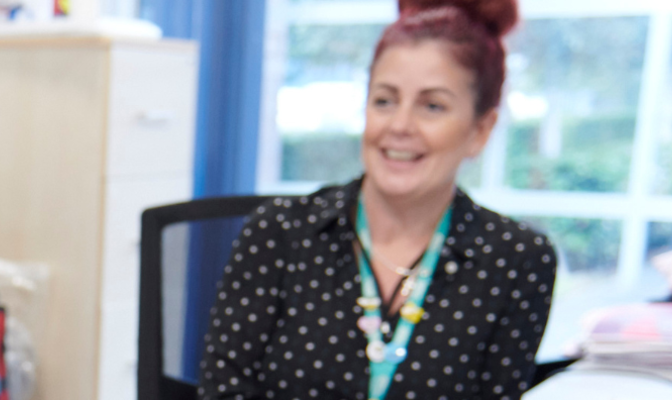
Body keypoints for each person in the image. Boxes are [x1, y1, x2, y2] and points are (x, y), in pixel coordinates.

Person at [198, 1, 558, 399]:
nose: (399, 126)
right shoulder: (280, 232)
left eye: (432, 106)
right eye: (384, 100)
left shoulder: (517, 261)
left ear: (480, 129)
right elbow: (223, 390)